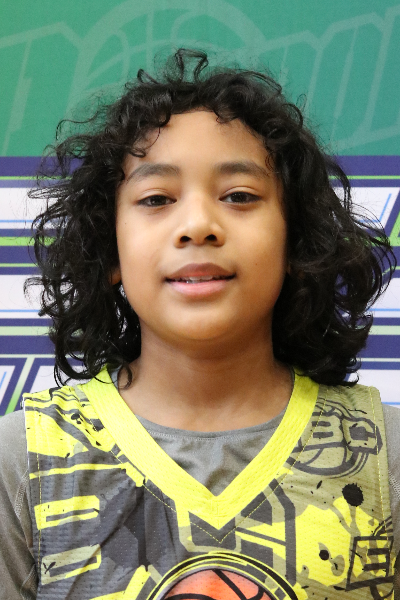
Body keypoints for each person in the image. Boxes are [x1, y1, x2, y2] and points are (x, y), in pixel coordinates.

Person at [0, 48, 398, 600]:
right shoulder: (23, 463)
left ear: (295, 241)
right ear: (110, 251)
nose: (198, 225)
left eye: (239, 196)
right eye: (156, 198)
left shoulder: (386, 455)